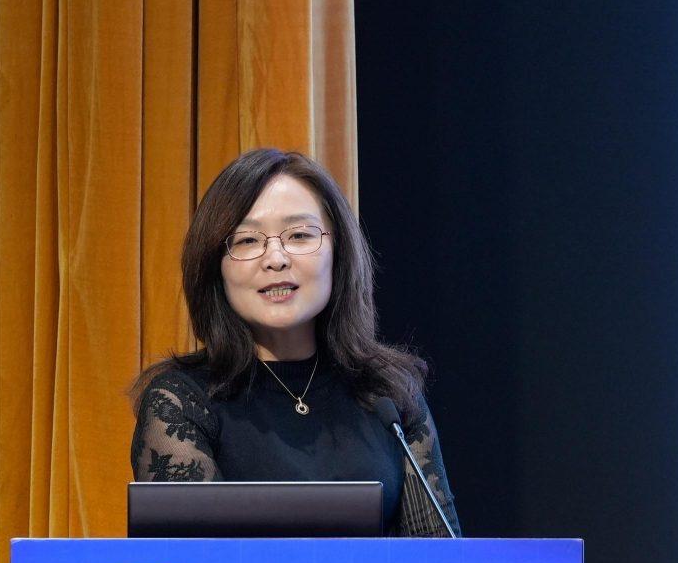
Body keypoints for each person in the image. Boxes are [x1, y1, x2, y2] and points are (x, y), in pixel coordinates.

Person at [130, 148, 459, 537]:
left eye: (300, 235)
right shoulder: (180, 402)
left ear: (338, 253)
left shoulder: (388, 394)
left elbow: (440, 559)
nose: (276, 258)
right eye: (247, 240)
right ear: (215, 266)